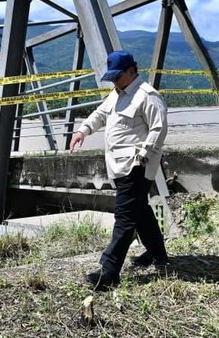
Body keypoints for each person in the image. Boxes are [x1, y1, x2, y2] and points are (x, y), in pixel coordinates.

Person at [69, 50, 169, 291]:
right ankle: (158, 254)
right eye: (111, 77)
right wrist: (83, 130)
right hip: (119, 167)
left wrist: (143, 156)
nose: (113, 81)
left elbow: (159, 128)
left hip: (136, 166)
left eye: (117, 76)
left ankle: (109, 271)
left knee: (124, 218)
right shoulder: (117, 95)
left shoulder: (147, 96)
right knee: (140, 212)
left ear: (131, 71)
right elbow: (100, 114)